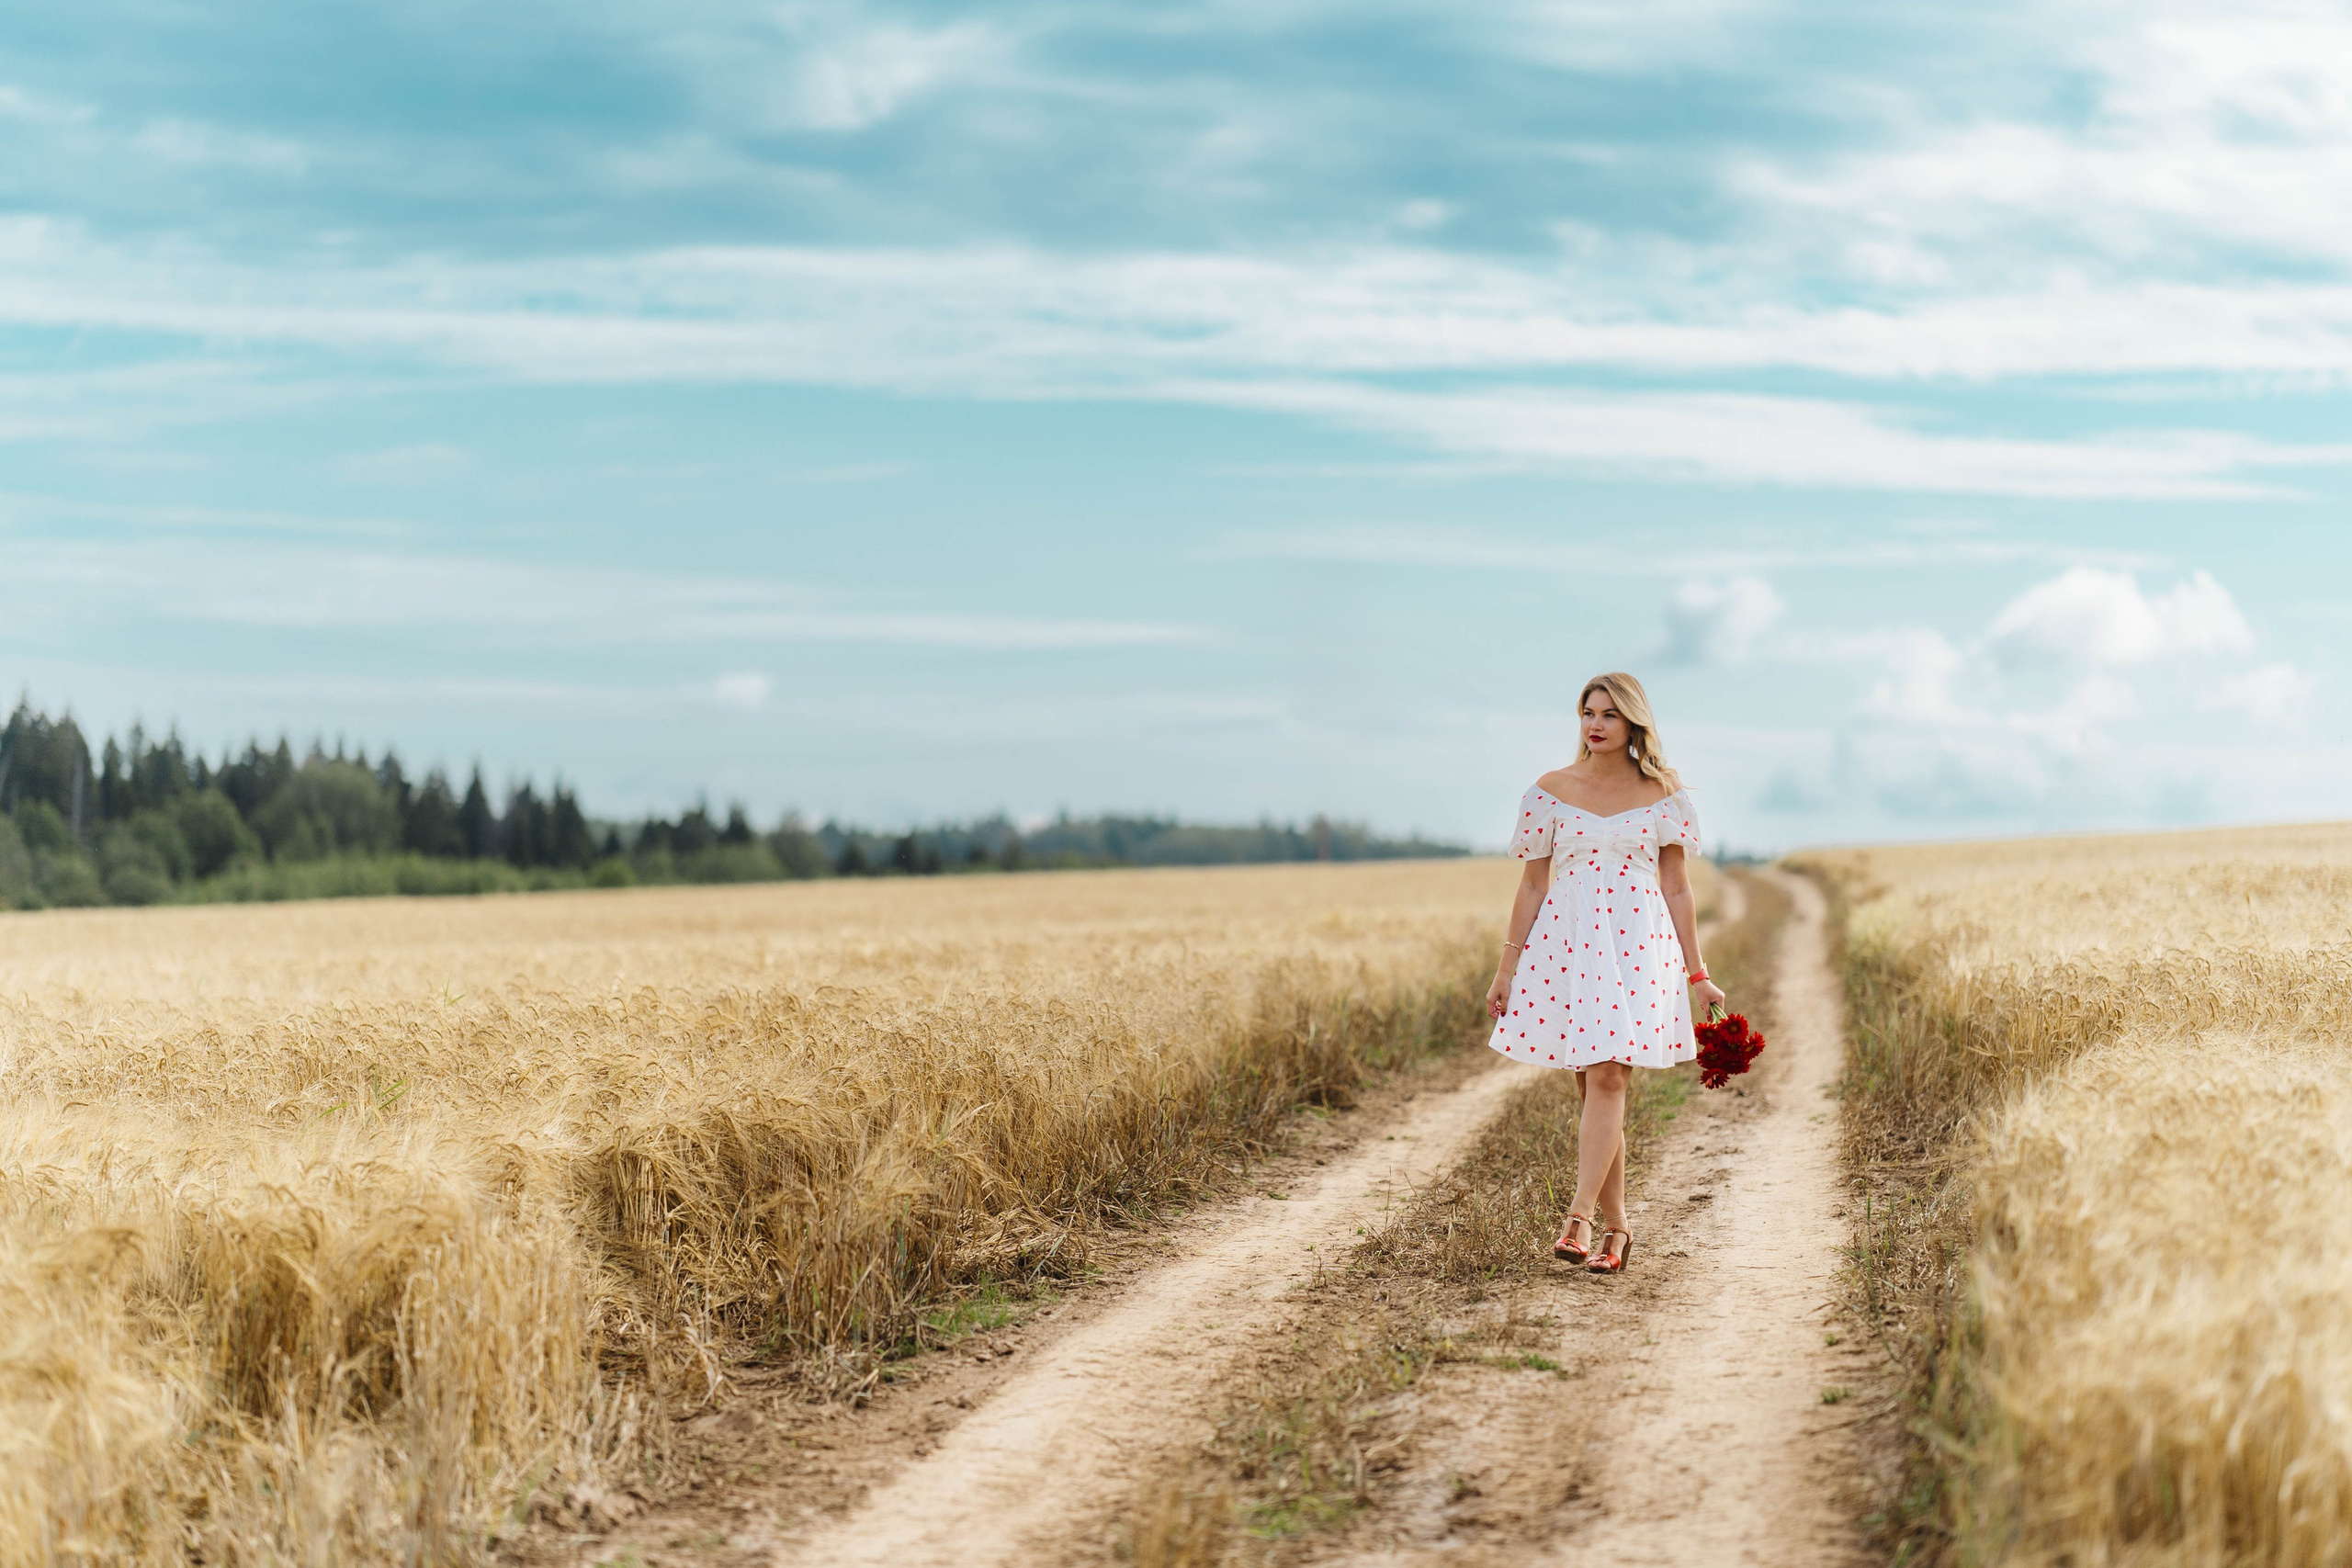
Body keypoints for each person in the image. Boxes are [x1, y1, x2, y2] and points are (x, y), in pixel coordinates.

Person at [1482, 671, 1725, 1275]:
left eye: (1609, 714)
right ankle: (1618, 1229)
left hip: (1639, 942)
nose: (1595, 724)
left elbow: (1677, 887)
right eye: (1588, 712)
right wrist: (1506, 967)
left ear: (1632, 721)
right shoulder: (1551, 791)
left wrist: (1698, 974)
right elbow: (1532, 884)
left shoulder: (1662, 794)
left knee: (1610, 1074)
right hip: (1569, 943)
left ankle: (1579, 1217)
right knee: (1594, 1084)